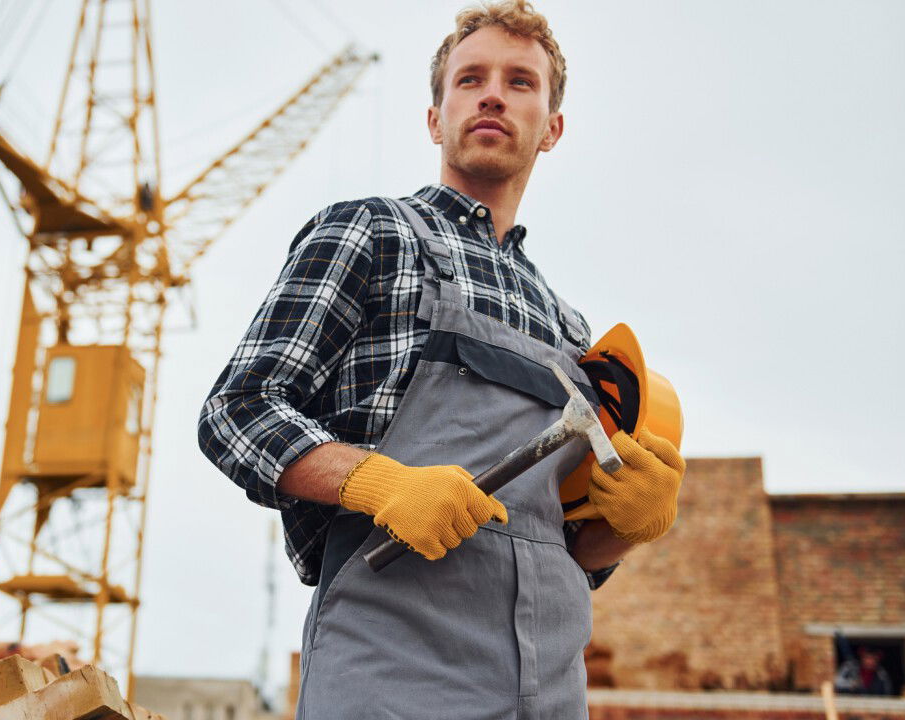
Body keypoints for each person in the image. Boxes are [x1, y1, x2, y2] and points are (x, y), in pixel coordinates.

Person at [197, 2, 686, 717]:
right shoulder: (373, 232)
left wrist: (629, 528)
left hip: (548, 692)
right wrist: (376, 481)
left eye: (521, 82)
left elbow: (569, 551)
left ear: (551, 129)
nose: (493, 93)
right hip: (393, 676)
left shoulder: (575, 331)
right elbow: (236, 411)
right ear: (436, 119)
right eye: (470, 80)